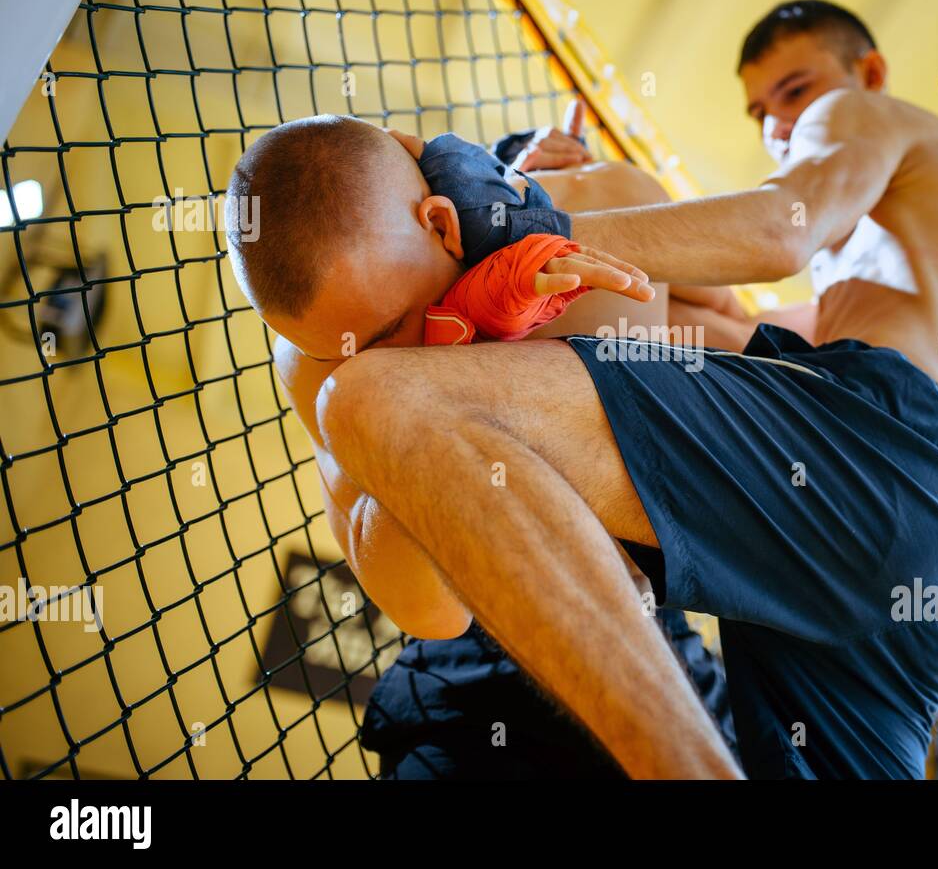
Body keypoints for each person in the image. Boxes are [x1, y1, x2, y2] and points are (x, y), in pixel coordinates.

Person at [224, 110, 736, 777]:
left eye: (390, 329)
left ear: (440, 222)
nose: (380, 357)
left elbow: (731, 316)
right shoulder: (316, 360)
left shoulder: (600, 202)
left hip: (649, 631)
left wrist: (526, 214)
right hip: (477, 673)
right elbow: (430, 611)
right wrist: (445, 347)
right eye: (353, 351)